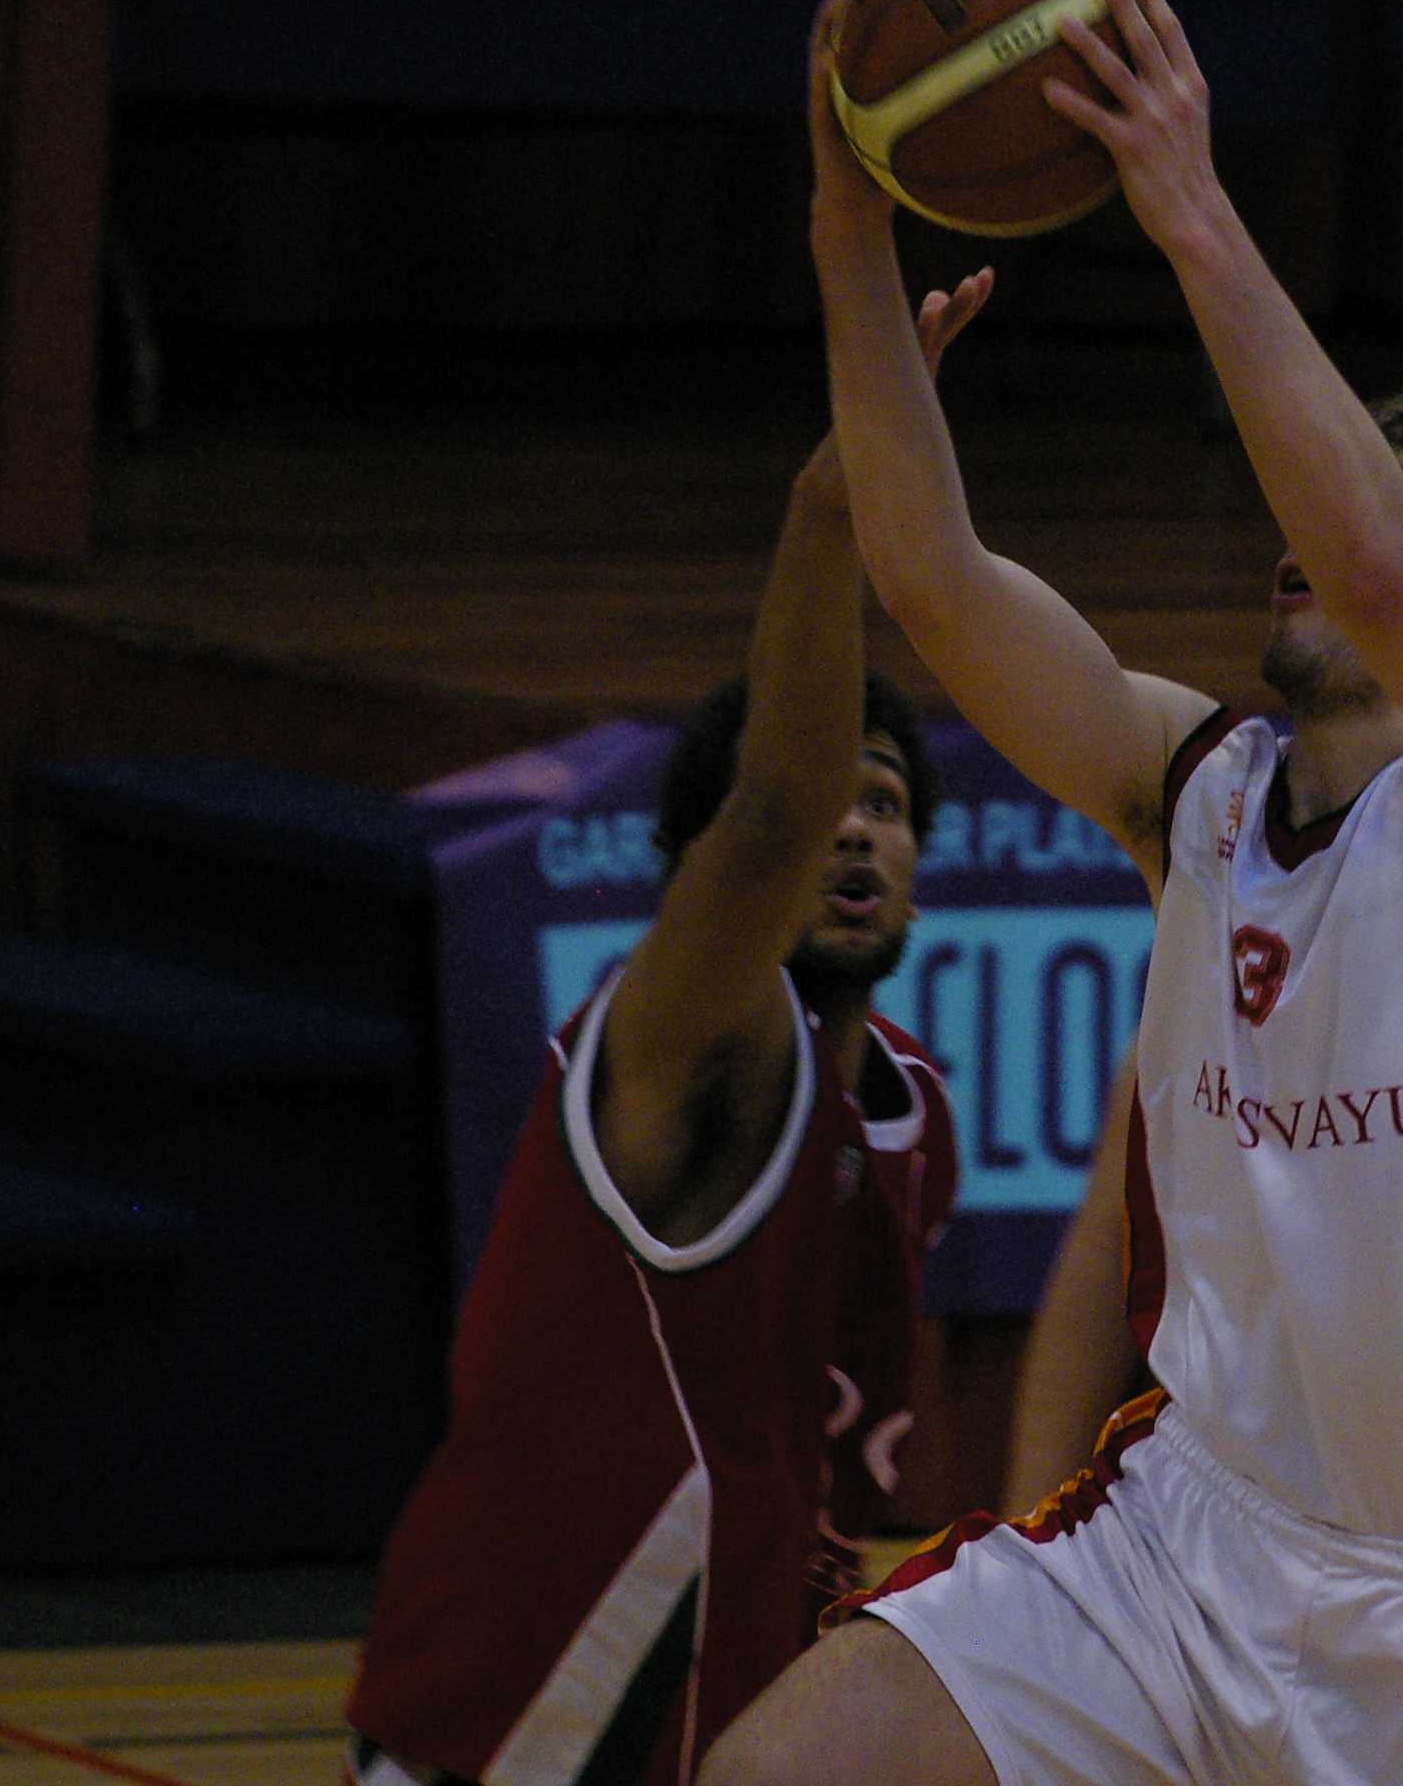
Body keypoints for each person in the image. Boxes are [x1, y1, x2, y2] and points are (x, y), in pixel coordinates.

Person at [708, 0, 1403, 1786]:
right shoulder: (1190, 789)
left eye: (1372, 484)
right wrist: (847, 235)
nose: (1302, 521)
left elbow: (1379, 577)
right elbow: (933, 579)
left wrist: (1187, 206)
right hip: (1173, 1542)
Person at [342, 276, 990, 1786]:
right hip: (513, 1712)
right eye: (830, 799)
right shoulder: (682, 1034)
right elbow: (772, 809)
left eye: (887, 803)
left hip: (720, 1710)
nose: (851, 829)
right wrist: (830, 511)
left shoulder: (911, 1112)